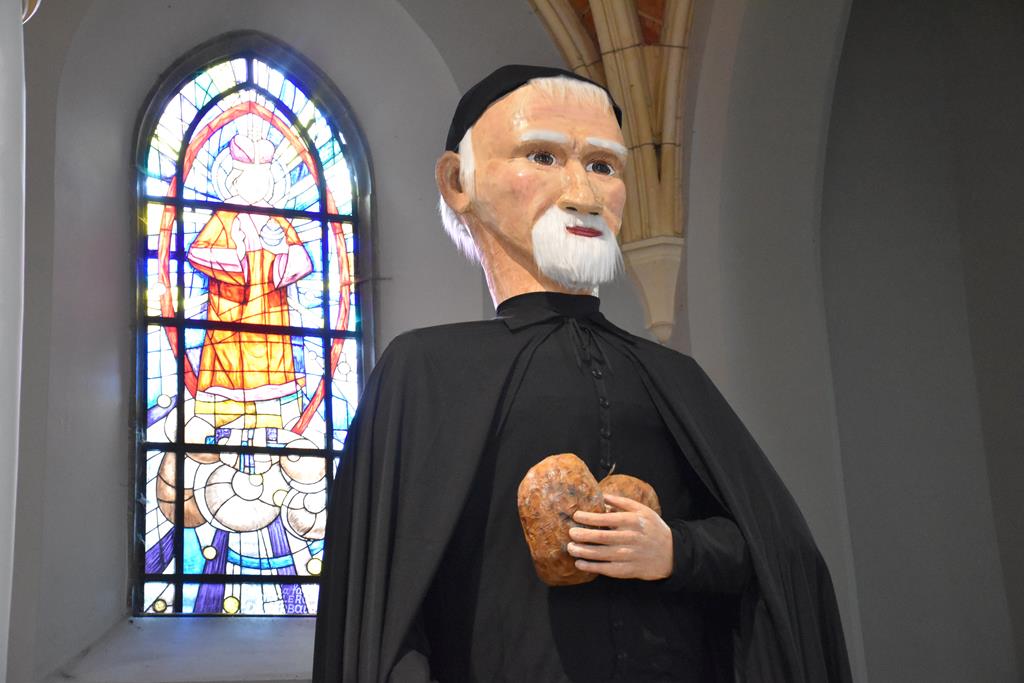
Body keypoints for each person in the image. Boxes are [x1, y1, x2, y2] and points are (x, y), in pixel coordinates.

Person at [313, 65, 852, 683]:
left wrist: (676, 550)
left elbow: (778, 560)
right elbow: (385, 608)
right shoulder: (425, 373)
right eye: (542, 156)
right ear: (458, 182)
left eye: (602, 165)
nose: (583, 193)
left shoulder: (674, 378)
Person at [187, 133, 313, 444]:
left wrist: (281, 252)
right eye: (252, 179)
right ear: (235, 180)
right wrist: (239, 255)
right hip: (230, 315)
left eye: (264, 179)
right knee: (227, 378)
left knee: (272, 384)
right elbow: (197, 253)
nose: (259, 186)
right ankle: (222, 434)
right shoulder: (224, 217)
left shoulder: (278, 220)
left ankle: (271, 435)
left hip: (270, 317)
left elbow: (302, 261)